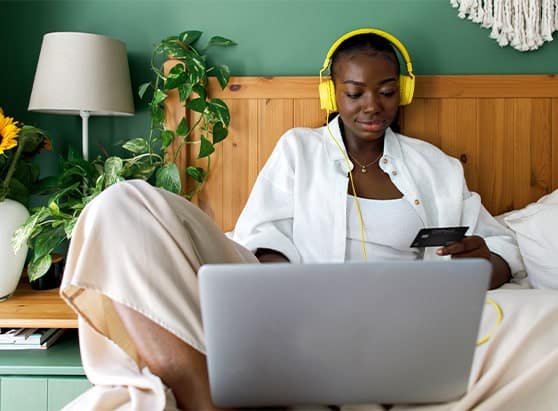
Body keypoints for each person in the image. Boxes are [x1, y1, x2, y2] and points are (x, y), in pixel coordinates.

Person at [60, 29, 558, 411]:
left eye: (385, 92)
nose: (371, 106)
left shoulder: (437, 168)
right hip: (290, 311)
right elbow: (260, 238)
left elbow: (502, 249)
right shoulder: (299, 149)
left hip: (402, 324)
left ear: (402, 91)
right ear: (332, 94)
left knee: (547, 315)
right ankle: (202, 391)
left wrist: (484, 261)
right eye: (356, 92)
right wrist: (287, 292)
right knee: (122, 203)